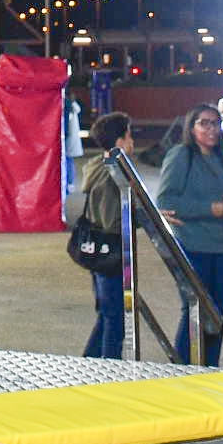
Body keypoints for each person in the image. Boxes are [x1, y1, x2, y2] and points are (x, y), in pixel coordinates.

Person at [154, 104, 223, 366]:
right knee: (195, 312)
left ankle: (209, 370)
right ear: (191, 127)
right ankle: (183, 371)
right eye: (203, 123)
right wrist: (211, 209)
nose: (211, 129)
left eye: (215, 123)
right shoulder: (182, 155)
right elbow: (166, 200)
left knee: (217, 316)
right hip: (193, 246)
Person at [76, 111, 134, 358]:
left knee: (106, 312)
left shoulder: (97, 165)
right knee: (115, 318)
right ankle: (110, 365)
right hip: (111, 251)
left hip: (96, 249)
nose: (133, 142)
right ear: (119, 142)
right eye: (130, 136)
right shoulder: (114, 173)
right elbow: (113, 217)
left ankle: (90, 361)